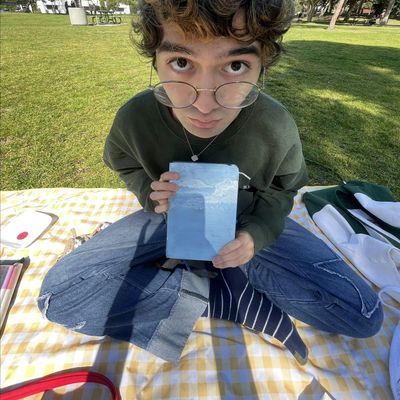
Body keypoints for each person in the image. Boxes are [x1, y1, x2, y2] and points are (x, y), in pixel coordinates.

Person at [37, 0, 383, 363]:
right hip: (169, 218)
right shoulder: (135, 118)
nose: (204, 104)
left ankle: (229, 272)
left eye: (235, 66)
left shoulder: (274, 125)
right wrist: (150, 194)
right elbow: (124, 162)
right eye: (181, 62)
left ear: (261, 66)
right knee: (57, 298)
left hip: (246, 220)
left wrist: (256, 236)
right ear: (155, 59)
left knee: (363, 315)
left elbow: (283, 189)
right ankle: (222, 298)